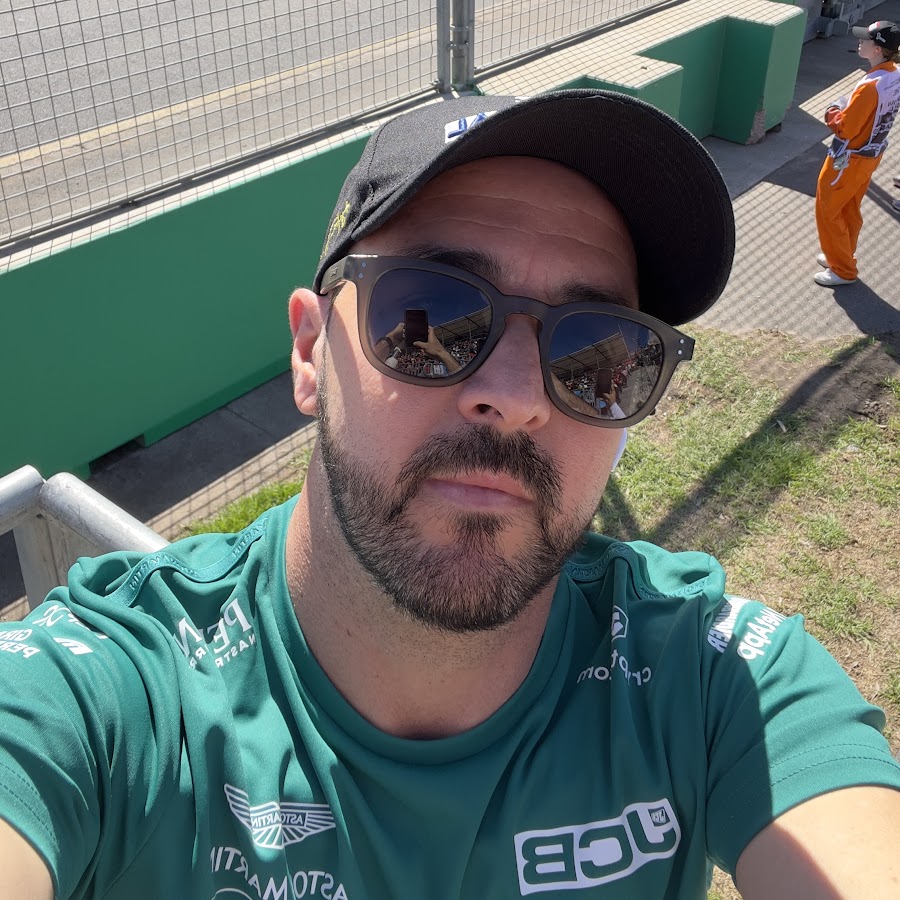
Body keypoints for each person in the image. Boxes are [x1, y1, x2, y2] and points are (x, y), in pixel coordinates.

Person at [1, 90, 899, 900]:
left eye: (599, 355)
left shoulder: (715, 680)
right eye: (428, 315)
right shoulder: (107, 692)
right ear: (310, 353)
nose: (515, 397)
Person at [814, 20, 900, 286]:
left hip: (849, 158)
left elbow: (845, 129)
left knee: (828, 209)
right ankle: (841, 254)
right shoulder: (893, 74)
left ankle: (843, 269)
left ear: (878, 49)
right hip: (869, 155)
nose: (860, 42)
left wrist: (832, 110)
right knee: (849, 208)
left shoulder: (870, 85)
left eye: (865, 40)